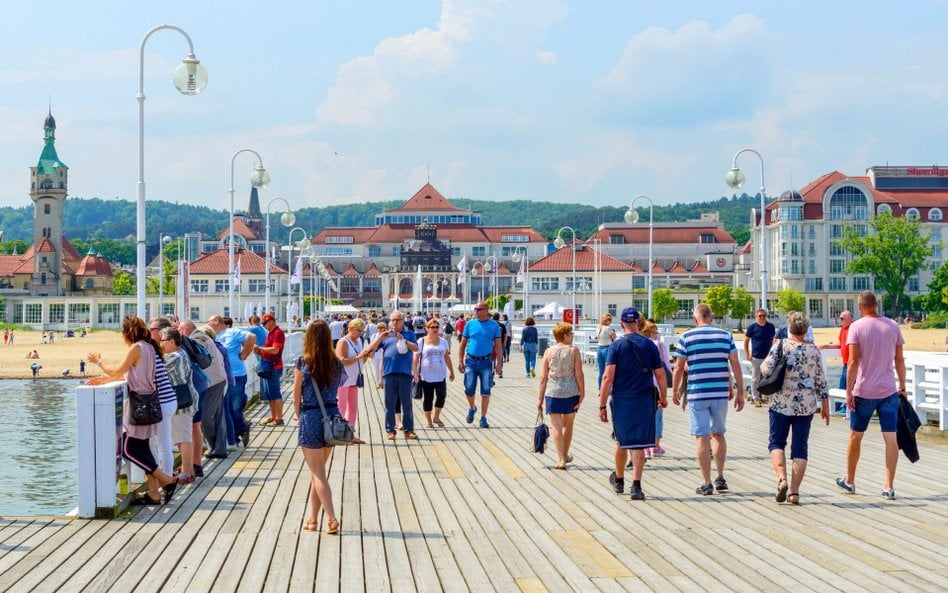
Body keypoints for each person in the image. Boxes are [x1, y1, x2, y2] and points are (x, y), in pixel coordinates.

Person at [87, 316, 178, 505]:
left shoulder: (136, 348)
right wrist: (103, 381)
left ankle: (168, 480)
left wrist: (98, 361)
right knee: (143, 448)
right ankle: (153, 493)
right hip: (150, 402)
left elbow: (116, 371)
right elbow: (130, 374)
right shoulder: (151, 347)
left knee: (128, 449)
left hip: (139, 405)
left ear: (128, 333)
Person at [836, 291, 905, 500]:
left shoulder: (856, 327)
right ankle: (888, 486)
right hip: (889, 390)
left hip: (864, 391)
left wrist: (848, 391)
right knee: (890, 438)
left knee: (856, 435)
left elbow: (853, 362)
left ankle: (849, 480)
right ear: (876, 305)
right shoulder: (893, 326)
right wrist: (902, 386)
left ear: (860, 307)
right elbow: (900, 360)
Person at [672, 303, 744, 496]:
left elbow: (678, 367)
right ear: (711, 317)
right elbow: (734, 364)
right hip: (720, 392)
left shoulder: (686, 337)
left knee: (702, 437)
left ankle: (707, 482)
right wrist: (740, 391)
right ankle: (720, 476)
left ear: (696, 319)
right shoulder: (725, 335)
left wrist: (676, 390)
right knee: (718, 434)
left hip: (698, 393)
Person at [760, 312, 830, 505]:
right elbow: (821, 381)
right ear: (806, 329)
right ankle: (795, 492)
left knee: (776, 443)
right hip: (805, 406)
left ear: (789, 328)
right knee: (800, 447)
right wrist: (825, 405)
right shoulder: (814, 351)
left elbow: (765, 369)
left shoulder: (781, 346)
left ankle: (782, 479)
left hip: (781, 402)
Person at [599, 308, 666, 500]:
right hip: (644, 399)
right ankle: (636, 486)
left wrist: (602, 405)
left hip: (622, 399)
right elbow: (660, 374)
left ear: (621, 324)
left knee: (622, 440)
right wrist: (663, 396)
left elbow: (607, 377)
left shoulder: (616, 346)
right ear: (638, 323)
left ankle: (619, 479)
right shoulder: (650, 345)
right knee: (639, 443)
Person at [293, 320, 345, 535]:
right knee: (318, 472)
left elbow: (296, 393)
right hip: (331, 416)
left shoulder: (304, 362)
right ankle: (313, 519)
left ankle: (331, 517)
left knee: (318, 474)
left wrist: (298, 415)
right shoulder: (336, 363)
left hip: (311, 416)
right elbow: (338, 387)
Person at [538, 322, 585, 470]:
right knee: (568, 425)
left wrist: (540, 399)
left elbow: (543, 377)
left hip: (552, 392)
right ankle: (564, 455)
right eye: (571, 334)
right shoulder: (573, 351)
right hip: (570, 392)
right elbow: (579, 374)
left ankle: (560, 459)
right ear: (565, 336)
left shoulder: (548, 351)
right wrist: (582, 392)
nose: (572, 336)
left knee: (556, 426)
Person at [180, 320, 229, 459]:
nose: (180, 335)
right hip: (218, 378)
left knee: (206, 417)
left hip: (211, 382)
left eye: (181, 331)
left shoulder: (196, 339)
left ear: (187, 330)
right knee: (218, 417)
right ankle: (219, 448)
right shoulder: (203, 336)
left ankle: (215, 447)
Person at [367, 311, 419, 440]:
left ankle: (409, 430)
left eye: (397, 319)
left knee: (407, 403)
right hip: (389, 373)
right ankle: (390, 430)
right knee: (389, 403)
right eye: (393, 320)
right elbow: (371, 349)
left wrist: (404, 341)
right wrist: (380, 337)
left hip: (405, 373)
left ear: (402, 321)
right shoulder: (385, 336)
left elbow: (416, 348)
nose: (395, 322)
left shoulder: (409, 334)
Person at [159, 327, 200, 484]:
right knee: (183, 436)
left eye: (162, 341)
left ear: (171, 341)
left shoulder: (175, 356)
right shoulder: (180, 353)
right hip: (186, 399)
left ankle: (186, 473)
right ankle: (186, 470)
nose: (160, 344)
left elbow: (156, 368)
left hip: (183, 401)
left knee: (183, 438)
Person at [210, 315, 256, 447]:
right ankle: (234, 436)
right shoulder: (212, 336)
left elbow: (251, 337)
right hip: (220, 377)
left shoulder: (232, 332)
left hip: (236, 375)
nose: (207, 324)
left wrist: (244, 354)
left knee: (235, 408)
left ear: (217, 322)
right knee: (226, 409)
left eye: (209, 322)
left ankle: (242, 428)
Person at [457, 302, 503, 428]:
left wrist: (499, 364)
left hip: (486, 362)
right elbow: (462, 343)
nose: (476, 311)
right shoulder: (470, 324)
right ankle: (472, 407)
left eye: (478, 309)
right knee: (469, 389)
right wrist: (460, 361)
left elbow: (498, 346)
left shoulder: (494, 326)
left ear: (486, 310)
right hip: (471, 361)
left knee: (486, 391)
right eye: (475, 309)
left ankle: (483, 418)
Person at [414, 317, 455, 428]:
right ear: (427, 328)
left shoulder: (443, 342)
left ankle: (436, 417)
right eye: (432, 327)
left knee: (441, 395)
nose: (435, 329)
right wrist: (415, 373)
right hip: (426, 375)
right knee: (428, 398)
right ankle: (428, 420)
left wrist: (451, 371)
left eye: (437, 327)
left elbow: (446, 357)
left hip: (440, 374)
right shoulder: (421, 341)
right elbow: (416, 358)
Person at [641, 319, 670, 458]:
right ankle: (655, 446)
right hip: (656, 386)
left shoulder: (640, 345)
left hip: (642, 385)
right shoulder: (658, 345)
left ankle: (645, 448)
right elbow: (666, 366)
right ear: (651, 333)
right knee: (657, 418)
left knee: (645, 417)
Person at [335, 318, 370, 426]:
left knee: (353, 408)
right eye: (358, 330)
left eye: (361, 331)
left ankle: (349, 432)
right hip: (343, 379)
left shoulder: (358, 341)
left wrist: (365, 357)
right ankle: (338, 431)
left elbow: (360, 361)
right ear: (350, 328)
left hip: (354, 379)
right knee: (341, 406)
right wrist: (359, 356)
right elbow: (342, 360)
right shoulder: (343, 341)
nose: (360, 333)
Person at [254, 313, 287, 427]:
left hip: (273, 367)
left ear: (271, 321)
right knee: (270, 394)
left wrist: (260, 348)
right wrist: (261, 351)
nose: (263, 325)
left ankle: (279, 419)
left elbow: (275, 350)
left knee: (275, 393)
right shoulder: (271, 333)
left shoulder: (278, 333)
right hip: (269, 366)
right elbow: (271, 350)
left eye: (265, 323)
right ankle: (274, 417)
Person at [744, 308, 776, 407]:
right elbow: (746, 341)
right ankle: (756, 398)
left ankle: (769, 398)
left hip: (768, 357)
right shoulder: (752, 327)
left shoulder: (771, 327)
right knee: (755, 378)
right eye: (760, 316)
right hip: (756, 357)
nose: (762, 317)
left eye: (764, 316)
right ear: (756, 317)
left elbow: (774, 340)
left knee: (769, 378)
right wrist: (747, 354)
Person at [820, 310, 853, 392]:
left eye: (842, 318)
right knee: (844, 387)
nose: (840, 320)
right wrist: (826, 346)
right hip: (846, 364)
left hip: (852, 363)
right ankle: (842, 405)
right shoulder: (843, 329)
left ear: (849, 318)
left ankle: (840, 405)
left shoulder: (853, 329)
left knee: (844, 388)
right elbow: (840, 344)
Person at [594, 313, 617, 388]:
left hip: (599, 349)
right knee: (610, 371)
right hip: (607, 349)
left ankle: (600, 388)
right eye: (609, 320)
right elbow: (615, 339)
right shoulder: (608, 328)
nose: (610, 321)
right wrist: (614, 332)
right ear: (605, 320)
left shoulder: (598, 327)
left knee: (601, 371)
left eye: (611, 320)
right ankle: (609, 388)